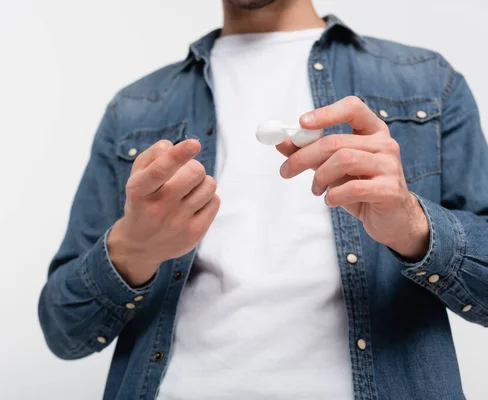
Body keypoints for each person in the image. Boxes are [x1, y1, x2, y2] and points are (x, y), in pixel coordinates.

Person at [38, 0, 488, 399]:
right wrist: (134, 251)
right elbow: (64, 330)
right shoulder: (136, 108)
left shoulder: (429, 82)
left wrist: (414, 228)